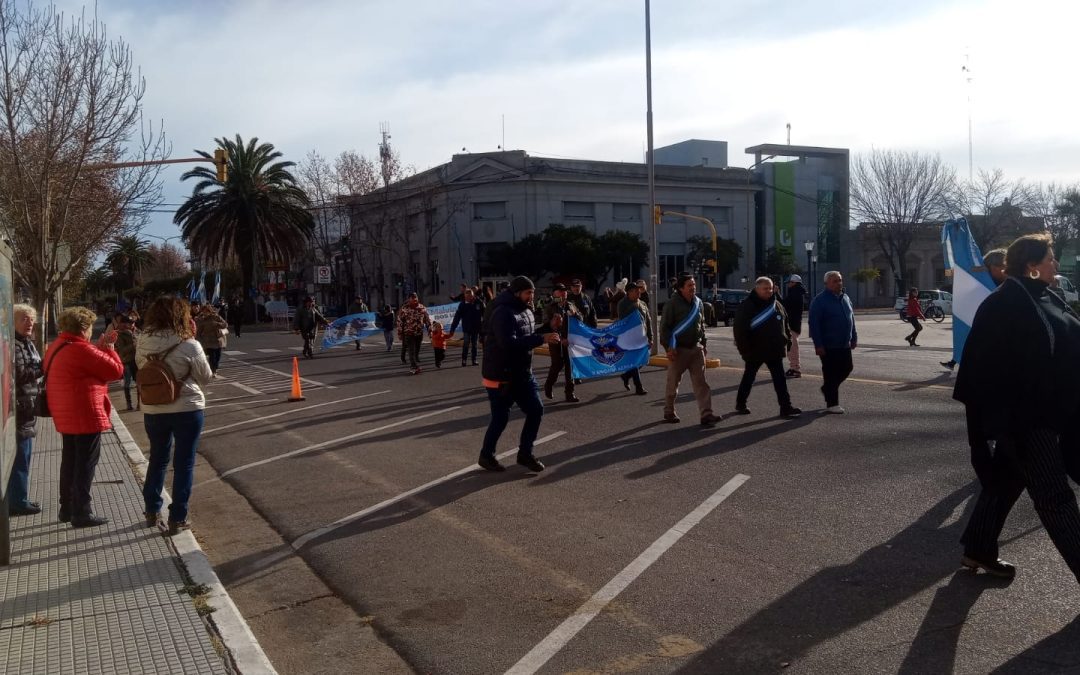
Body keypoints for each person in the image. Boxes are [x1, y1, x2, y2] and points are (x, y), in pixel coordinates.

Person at [954, 233, 1080, 580]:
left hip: (1051, 412)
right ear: (1031, 266)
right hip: (1026, 419)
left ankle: (978, 549)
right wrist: (984, 430)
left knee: (1006, 482)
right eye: (1050, 258)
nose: (1055, 263)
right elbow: (980, 370)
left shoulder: (1046, 296)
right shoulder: (1003, 304)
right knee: (1056, 499)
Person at [136, 297, 214, 536]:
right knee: (184, 463)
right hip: (187, 408)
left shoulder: (142, 340)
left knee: (158, 459)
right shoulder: (189, 344)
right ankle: (178, 517)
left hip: (153, 408)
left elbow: (141, 368)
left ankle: (151, 509)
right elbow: (205, 377)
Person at [45, 306, 124, 527]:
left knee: (69, 460)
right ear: (83, 328)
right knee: (86, 463)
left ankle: (67, 508)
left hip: (65, 412)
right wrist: (108, 348)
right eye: (89, 327)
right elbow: (115, 371)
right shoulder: (81, 350)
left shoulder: (58, 346)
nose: (90, 331)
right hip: (85, 412)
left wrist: (99, 349)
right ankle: (82, 511)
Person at [478, 276, 561, 473]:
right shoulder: (503, 312)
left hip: (522, 373)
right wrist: (542, 338)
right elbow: (508, 343)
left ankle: (525, 454)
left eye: (532, 293)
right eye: (528, 293)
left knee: (536, 410)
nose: (532, 297)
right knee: (500, 418)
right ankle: (486, 455)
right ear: (517, 293)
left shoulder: (525, 310)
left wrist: (549, 328)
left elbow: (526, 335)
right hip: (501, 375)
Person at [733, 278, 802, 418]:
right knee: (749, 378)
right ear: (757, 288)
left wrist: (788, 342)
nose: (769, 291)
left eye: (770, 288)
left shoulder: (777, 305)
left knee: (780, 380)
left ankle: (786, 407)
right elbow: (740, 330)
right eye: (765, 288)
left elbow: (785, 325)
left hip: (774, 350)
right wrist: (744, 350)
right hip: (754, 350)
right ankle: (740, 404)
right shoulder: (748, 305)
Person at [659, 274, 719, 426]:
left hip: (696, 348)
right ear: (680, 288)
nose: (693, 288)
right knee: (673, 383)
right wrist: (668, 348)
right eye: (689, 285)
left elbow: (701, 325)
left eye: (694, 285)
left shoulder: (698, 303)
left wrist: (704, 345)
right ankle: (669, 411)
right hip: (678, 349)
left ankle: (707, 414)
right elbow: (665, 328)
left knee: (702, 383)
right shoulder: (672, 304)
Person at [942, 248, 1007, 370]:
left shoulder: (1003, 284)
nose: (1009, 271)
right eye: (1005, 266)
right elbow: (951, 272)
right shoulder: (983, 280)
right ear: (994, 267)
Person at [8, 304, 43, 516]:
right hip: (20, 407)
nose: (29, 323)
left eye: (31, 319)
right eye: (24, 319)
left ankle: (20, 498)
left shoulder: (25, 343)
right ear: (14, 322)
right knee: (21, 457)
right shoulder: (16, 344)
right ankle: (18, 501)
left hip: (25, 406)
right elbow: (20, 374)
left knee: (24, 455)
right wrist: (43, 368)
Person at [808, 271, 858, 414]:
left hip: (844, 344)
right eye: (835, 281)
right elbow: (814, 325)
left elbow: (851, 319)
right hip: (828, 345)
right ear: (827, 283)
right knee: (830, 373)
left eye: (840, 280)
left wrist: (854, 337)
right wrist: (818, 345)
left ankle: (827, 389)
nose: (839, 283)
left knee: (847, 367)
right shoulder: (819, 301)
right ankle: (832, 403)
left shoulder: (846, 298)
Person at [542, 283, 581, 402]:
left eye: (564, 291)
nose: (563, 293)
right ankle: (548, 385)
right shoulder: (550, 307)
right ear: (554, 293)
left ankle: (570, 393)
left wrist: (576, 314)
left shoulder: (570, 305)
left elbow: (581, 319)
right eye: (560, 291)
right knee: (557, 364)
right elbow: (546, 326)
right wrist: (558, 333)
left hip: (570, 341)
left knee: (570, 366)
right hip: (555, 340)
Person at [616, 281, 651, 395]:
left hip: (642, 337)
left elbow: (648, 321)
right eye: (636, 290)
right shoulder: (623, 304)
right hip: (629, 337)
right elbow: (623, 320)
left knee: (643, 360)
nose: (638, 292)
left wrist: (651, 337)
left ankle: (626, 376)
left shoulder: (643, 304)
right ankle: (639, 387)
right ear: (629, 292)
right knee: (635, 362)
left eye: (639, 290)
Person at [449, 288, 484, 366]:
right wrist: (452, 329)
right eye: (467, 297)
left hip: (476, 327)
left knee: (474, 344)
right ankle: (464, 360)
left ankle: (474, 360)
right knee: (466, 344)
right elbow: (457, 318)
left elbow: (485, 313)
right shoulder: (462, 305)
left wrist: (484, 326)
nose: (468, 298)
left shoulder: (478, 302)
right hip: (467, 328)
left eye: (470, 296)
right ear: (465, 297)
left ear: (473, 296)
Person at [397, 292, 431, 374]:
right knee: (411, 350)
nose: (415, 299)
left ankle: (415, 361)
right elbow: (400, 321)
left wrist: (429, 330)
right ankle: (414, 366)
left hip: (419, 332)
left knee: (417, 349)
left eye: (416, 298)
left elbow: (427, 319)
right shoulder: (405, 308)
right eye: (413, 298)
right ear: (409, 299)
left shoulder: (422, 308)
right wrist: (400, 333)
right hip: (409, 332)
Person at [782, 274, 807, 378]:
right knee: (791, 347)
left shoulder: (795, 293)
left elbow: (784, 306)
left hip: (792, 324)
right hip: (794, 323)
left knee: (792, 347)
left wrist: (777, 295)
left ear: (794, 283)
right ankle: (794, 368)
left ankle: (795, 369)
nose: (788, 284)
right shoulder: (797, 292)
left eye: (790, 282)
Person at [114, 315, 140, 410]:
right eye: (128, 323)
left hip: (136, 360)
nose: (131, 324)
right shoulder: (119, 334)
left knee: (139, 382)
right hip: (126, 361)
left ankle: (140, 403)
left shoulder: (136, 331)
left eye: (132, 322)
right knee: (127, 383)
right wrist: (134, 345)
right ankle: (129, 404)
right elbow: (122, 350)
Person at [195, 304, 228, 375]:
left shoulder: (216, 317)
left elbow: (225, 324)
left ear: (209, 311)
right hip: (208, 341)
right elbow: (198, 332)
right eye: (203, 311)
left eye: (206, 311)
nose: (205, 313)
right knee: (212, 357)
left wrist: (217, 324)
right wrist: (198, 341)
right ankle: (213, 371)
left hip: (218, 340)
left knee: (218, 356)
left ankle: (215, 368)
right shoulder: (201, 319)